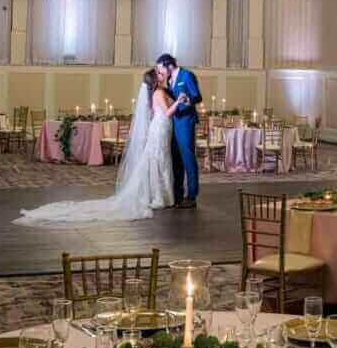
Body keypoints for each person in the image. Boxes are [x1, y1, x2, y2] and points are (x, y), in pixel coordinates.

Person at [13, 69, 183, 225]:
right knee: (158, 159)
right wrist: (180, 101)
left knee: (158, 159)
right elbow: (167, 112)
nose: (162, 74)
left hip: (160, 127)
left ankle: (158, 194)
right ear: (155, 80)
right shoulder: (159, 92)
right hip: (161, 127)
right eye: (159, 74)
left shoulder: (156, 92)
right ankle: (159, 196)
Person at [154, 53, 202, 209]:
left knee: (188, 158)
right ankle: (178, 194)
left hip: (186, 122)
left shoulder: (186, 75)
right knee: (176, 159)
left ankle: (192, 195)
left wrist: (187, 100)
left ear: (169, 65)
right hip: (173, 122)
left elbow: (197, 96)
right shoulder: (169, 79)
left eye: (162, 69)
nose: (161, 73)